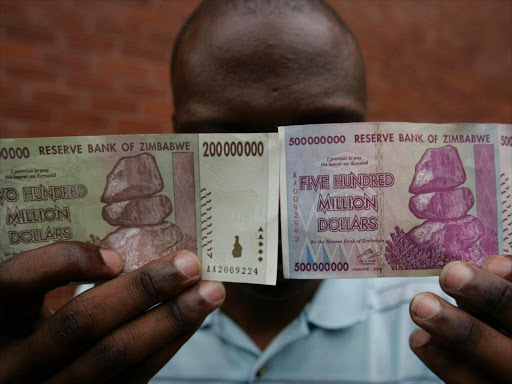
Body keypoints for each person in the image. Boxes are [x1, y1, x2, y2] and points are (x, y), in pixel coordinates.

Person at [0, 1, 510, 383]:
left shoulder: (446, 314)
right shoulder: (104, 316)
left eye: (323, 135)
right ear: (176, 136)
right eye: (229, 140)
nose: (282, 186)